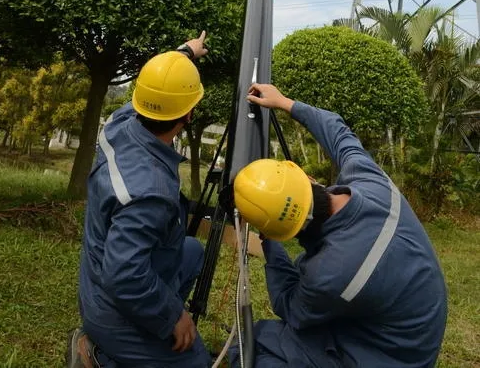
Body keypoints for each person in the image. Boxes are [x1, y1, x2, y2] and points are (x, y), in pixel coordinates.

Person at [230, 83, 447, 368]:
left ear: (289, 233)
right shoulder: (371, 182)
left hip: (391, 356)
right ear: (306, 178)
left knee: (252, 347)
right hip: (410, 330)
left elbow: (290, 308)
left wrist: (269, 242)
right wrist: (285, 102)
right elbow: (336, 129)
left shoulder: (329, 273)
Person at [67, 32, 212, 368]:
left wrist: (185, 53)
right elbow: (124, 276)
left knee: (192, 251)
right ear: (188, 115)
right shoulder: (150, 190)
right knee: (196, 362)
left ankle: (146, 334)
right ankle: (99, 354)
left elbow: (156, 92)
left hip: (99, 272)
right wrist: (173, 313)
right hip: (110, 306)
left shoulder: (120, 122)